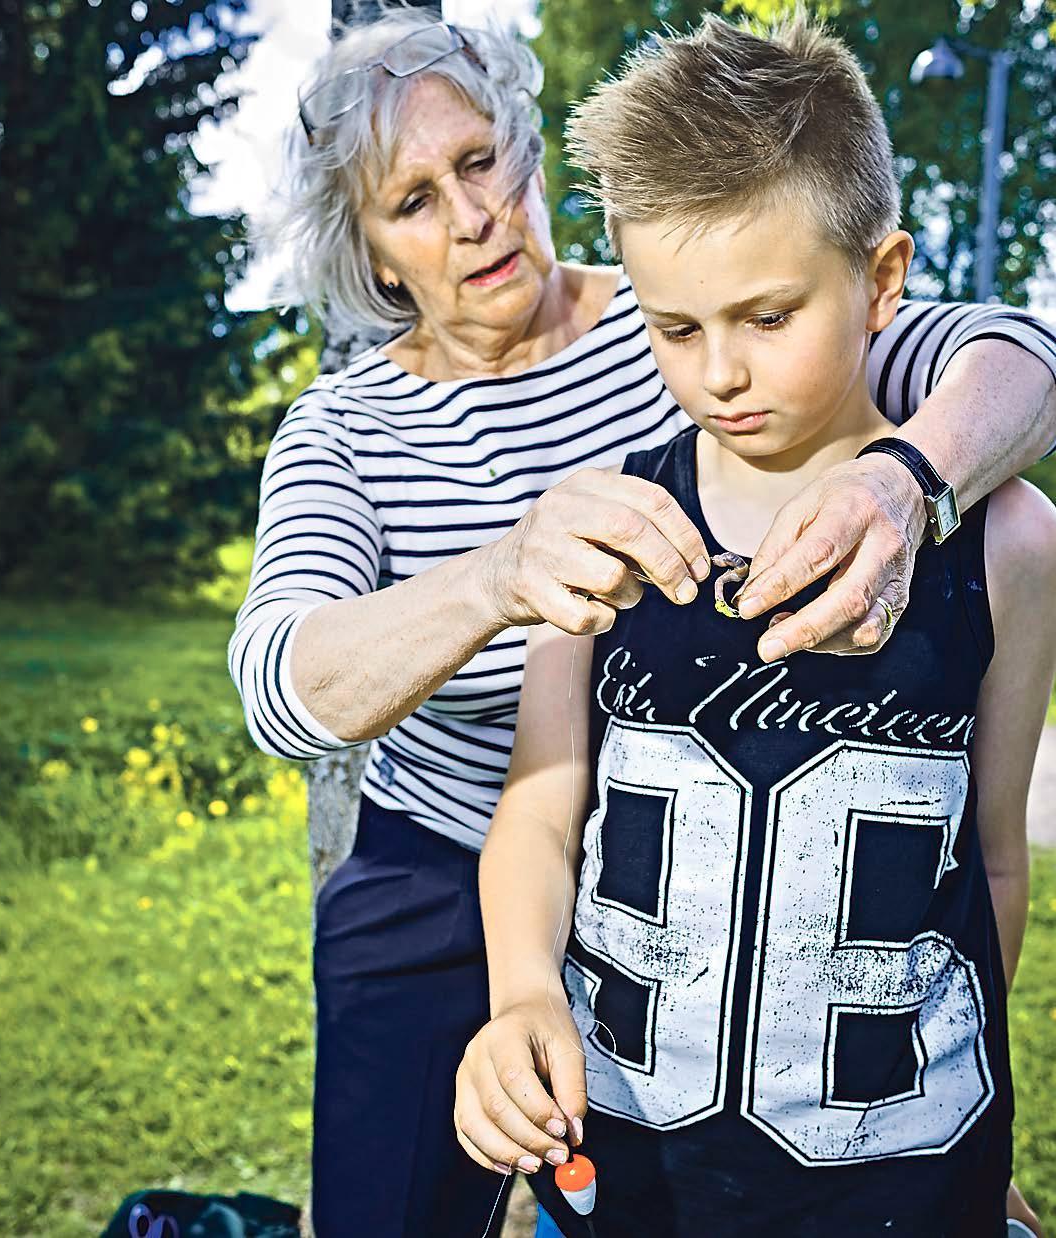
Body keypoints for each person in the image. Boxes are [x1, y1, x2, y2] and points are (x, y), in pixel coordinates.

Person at [228, 9, 1056, 1236]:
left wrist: (908, 482)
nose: (469, 215)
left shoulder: (692, 281)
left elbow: (1014, 355)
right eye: (411, 200)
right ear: (374, 256)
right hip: (458, 842)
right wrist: (499, 574)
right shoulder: (343, 431)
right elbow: (278, 683)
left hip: (730, 870)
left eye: (480, 161)